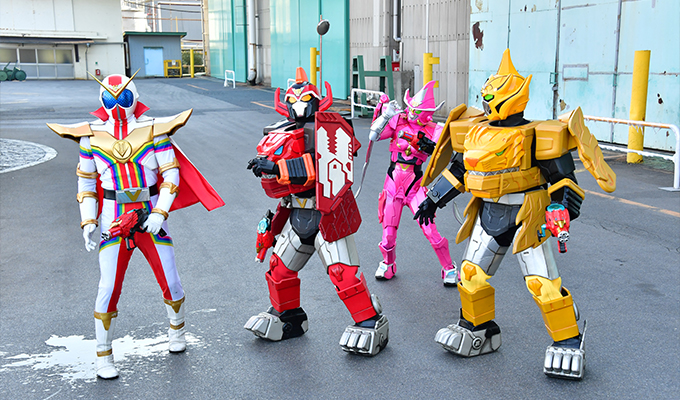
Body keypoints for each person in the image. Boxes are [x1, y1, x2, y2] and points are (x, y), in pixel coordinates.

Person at [415, 49, 616, 379]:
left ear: (512, 97)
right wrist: (433, 199)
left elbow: (563, 179)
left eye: (492, 97)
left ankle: (567, 341)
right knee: (470, 274)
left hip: (528, 213)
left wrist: (562, 207)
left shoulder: (540, 134)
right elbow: (460, 170)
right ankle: (479, 330)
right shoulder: (475, 130)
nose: (487, 103)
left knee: (542, 283)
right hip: (489, 211)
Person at [47, 73, 224, 379]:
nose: (117, 103)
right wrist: (88, 220)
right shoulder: (90, 136)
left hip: (150, 215)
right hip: (113, 218)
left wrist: (159, 213)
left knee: (171, 280)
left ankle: (177, 331)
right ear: (102, 99)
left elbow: (171, 175)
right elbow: (86, 184)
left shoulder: (154, 131)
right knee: (108, 287)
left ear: (135, 97)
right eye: (110, 97)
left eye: (124, 97)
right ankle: (103, 355)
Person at [244, 67, 389, 356]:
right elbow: (286, 187)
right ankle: (289, 317)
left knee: (342, 273)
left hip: (327, 214)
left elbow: (322, 167)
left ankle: (370, 321)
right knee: (279, 270)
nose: (298, 105)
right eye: (293, 100)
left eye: (304, 99)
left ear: (316, 100)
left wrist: (277, 167)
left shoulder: (331, 131)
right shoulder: (283, 131)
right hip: (297, 213)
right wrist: (273, 223)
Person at [366, 81, 458, 284]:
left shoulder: (435, 129)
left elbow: (450, 156)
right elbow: (374, 135)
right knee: (388, 233)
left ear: (427, 114)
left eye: (417, 111)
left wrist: (430, 147)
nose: (412, 113)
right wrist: (385, 115)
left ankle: (449, 268)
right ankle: (388, 264)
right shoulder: (397, 121)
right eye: (410, 108)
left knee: (429, 229)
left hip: (415, 185)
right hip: (393, 182)